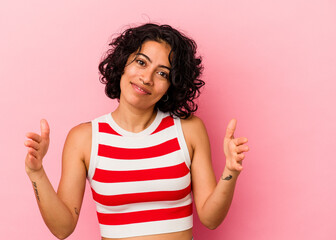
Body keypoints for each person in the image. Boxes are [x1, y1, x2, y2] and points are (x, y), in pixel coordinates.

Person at [24, 23, 249, 240]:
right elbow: (63, 229)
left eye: (162, 73)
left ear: (172, 84)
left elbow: (210, 219)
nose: (147, 78)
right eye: (141, 62)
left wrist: (230, 171)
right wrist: (37, 174)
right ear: (122, 62)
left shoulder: (189, 130)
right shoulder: (84, 139)